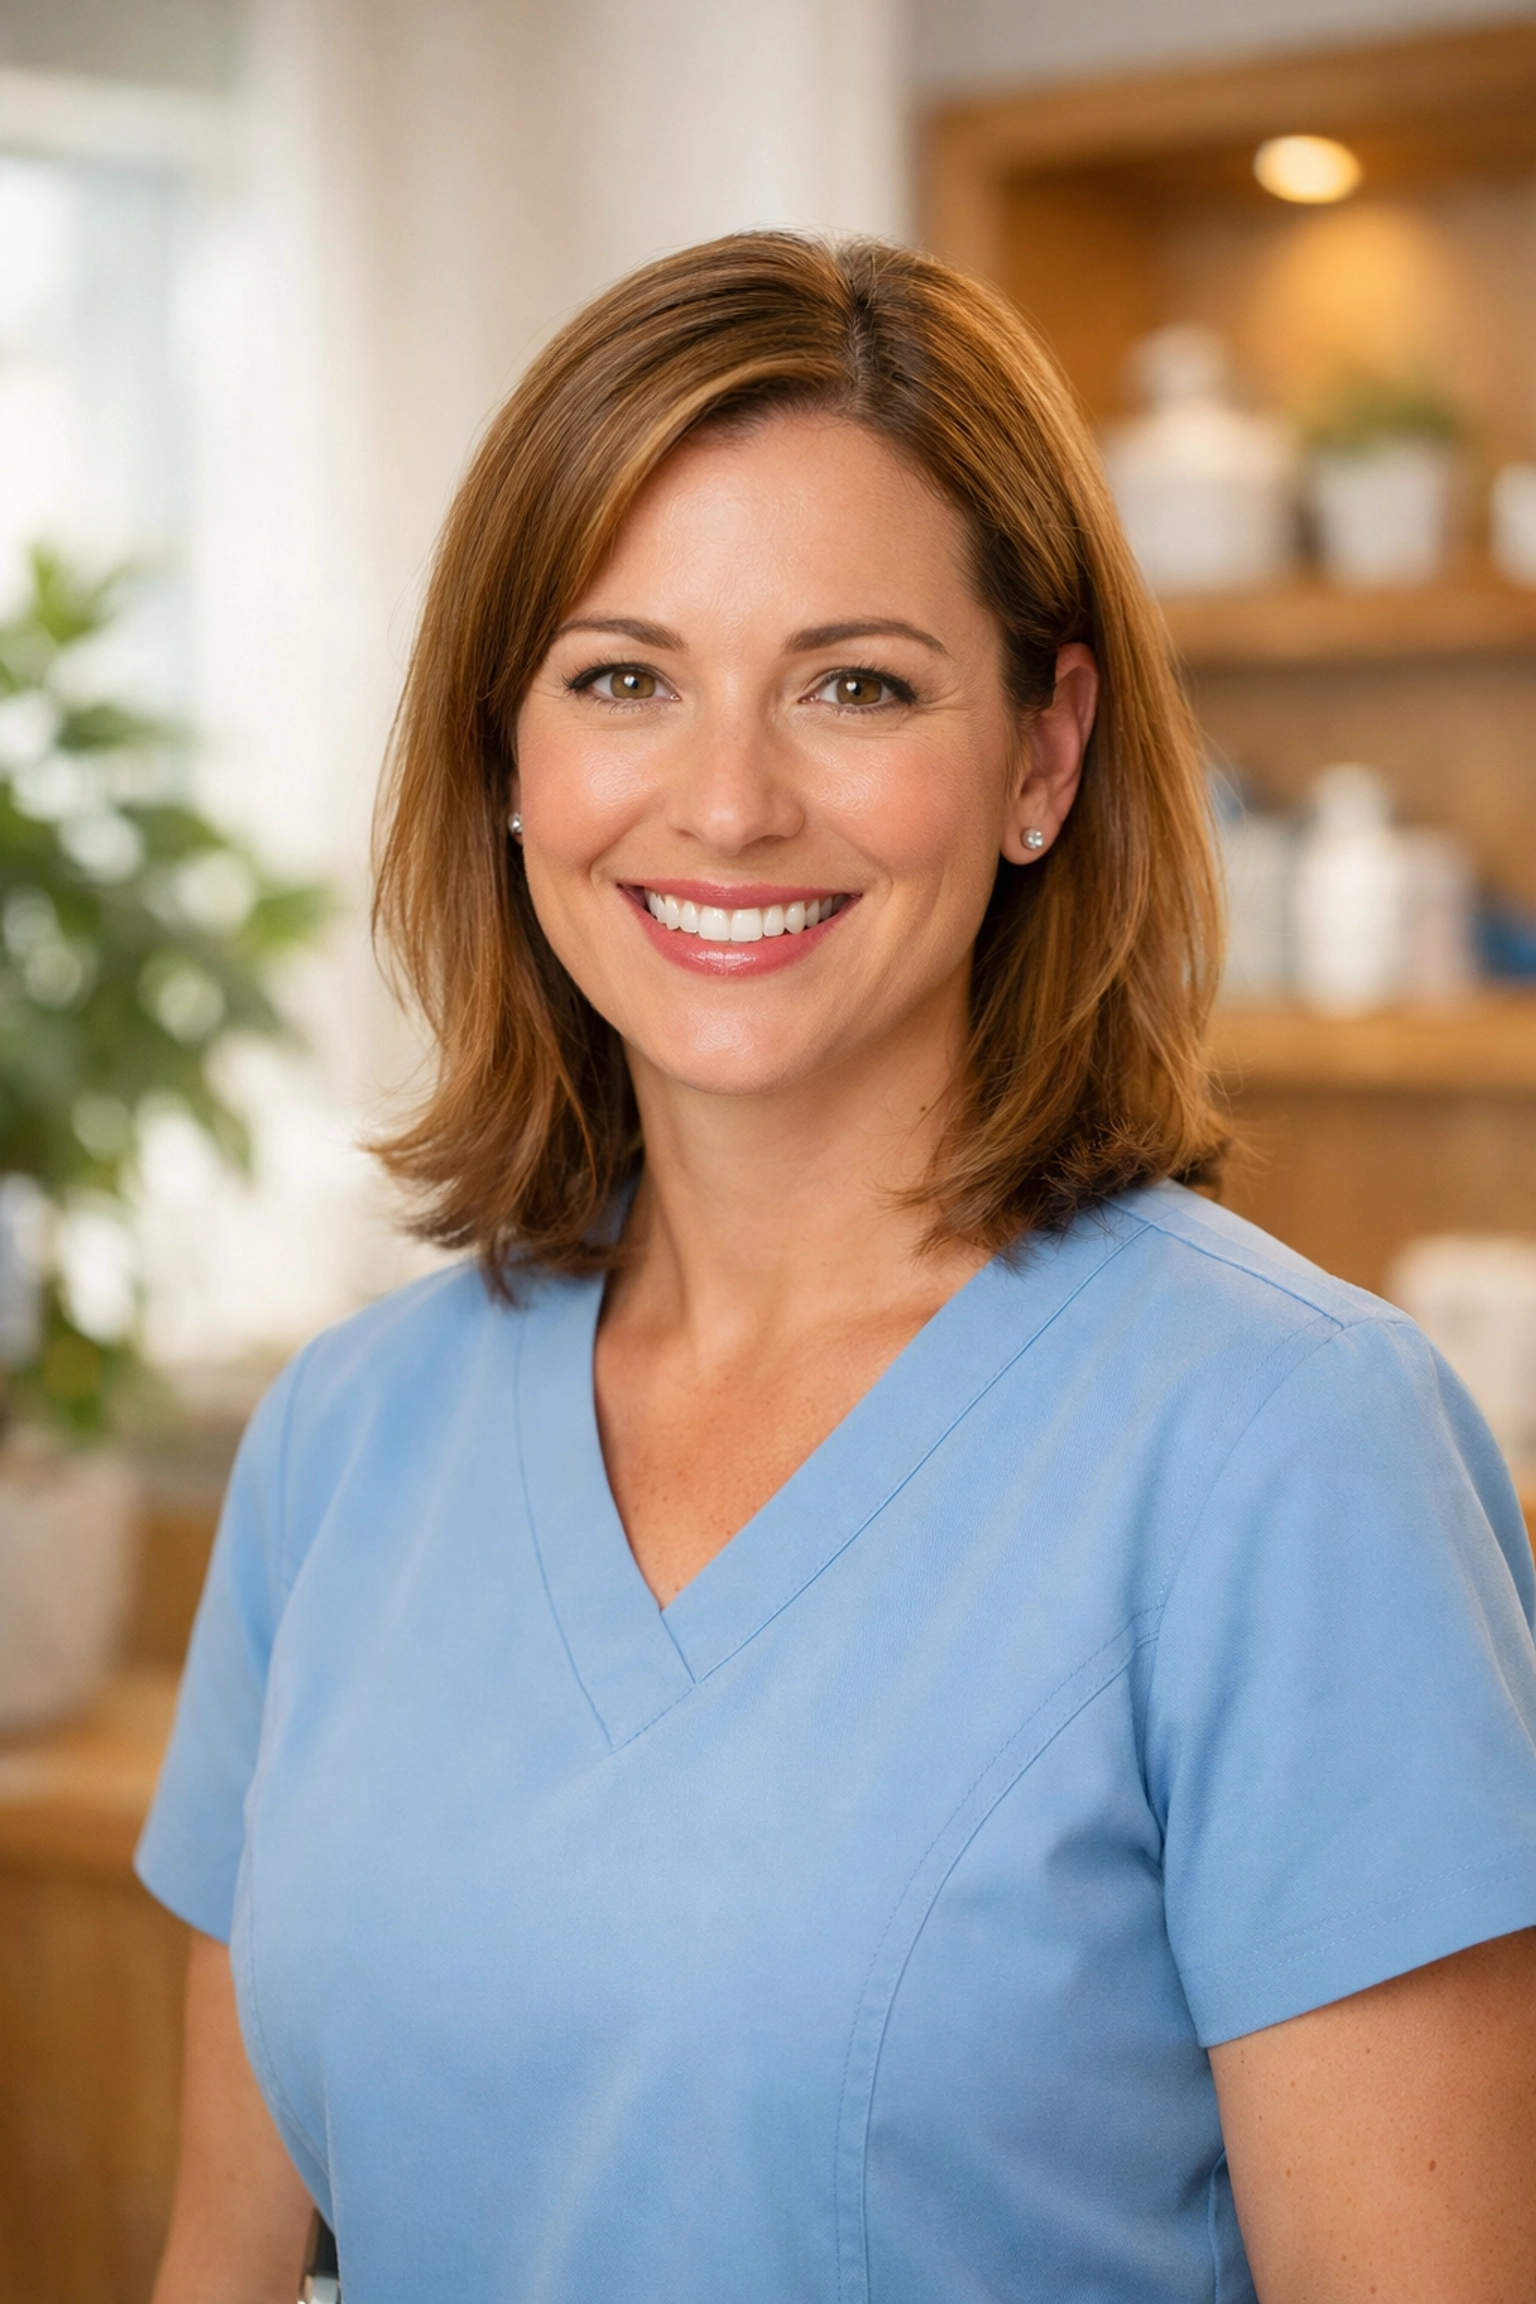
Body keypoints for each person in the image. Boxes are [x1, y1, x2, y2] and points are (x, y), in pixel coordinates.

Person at [141, 234, 1536, 2304]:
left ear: (1044, 756)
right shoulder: (349, 1443)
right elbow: (230, 2272)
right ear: (510, 760)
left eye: (855, 685)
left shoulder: (1289, 1447)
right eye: (624, 679)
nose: (725, 801)